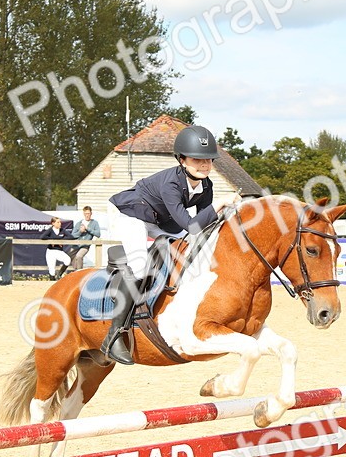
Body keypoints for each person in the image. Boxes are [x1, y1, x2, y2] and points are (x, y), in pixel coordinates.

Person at [103, 124, 241, 365]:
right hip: (129, 215)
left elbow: (201, 231)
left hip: (158, 220)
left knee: (182, 249)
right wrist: (219, 204)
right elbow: (192, 225)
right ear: (182, 160)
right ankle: (114, 336)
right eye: (198, 159)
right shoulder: (171, 184)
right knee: (138, 265)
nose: (205, 165)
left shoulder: (205, 185)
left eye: (208, 160)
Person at [66, 206, 101, 271]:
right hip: (76, 245)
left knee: (79, 256)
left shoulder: (94, 223)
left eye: (88, 213)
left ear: (91, 213)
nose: (87, 215)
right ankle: (60, 274)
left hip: (85, 246)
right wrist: (80, 232)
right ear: (83, 214)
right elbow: (72, 236)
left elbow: (98, 234)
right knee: (67, 258)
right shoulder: (79, 223)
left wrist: (88, 229)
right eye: (86, 213)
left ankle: (79, 272)